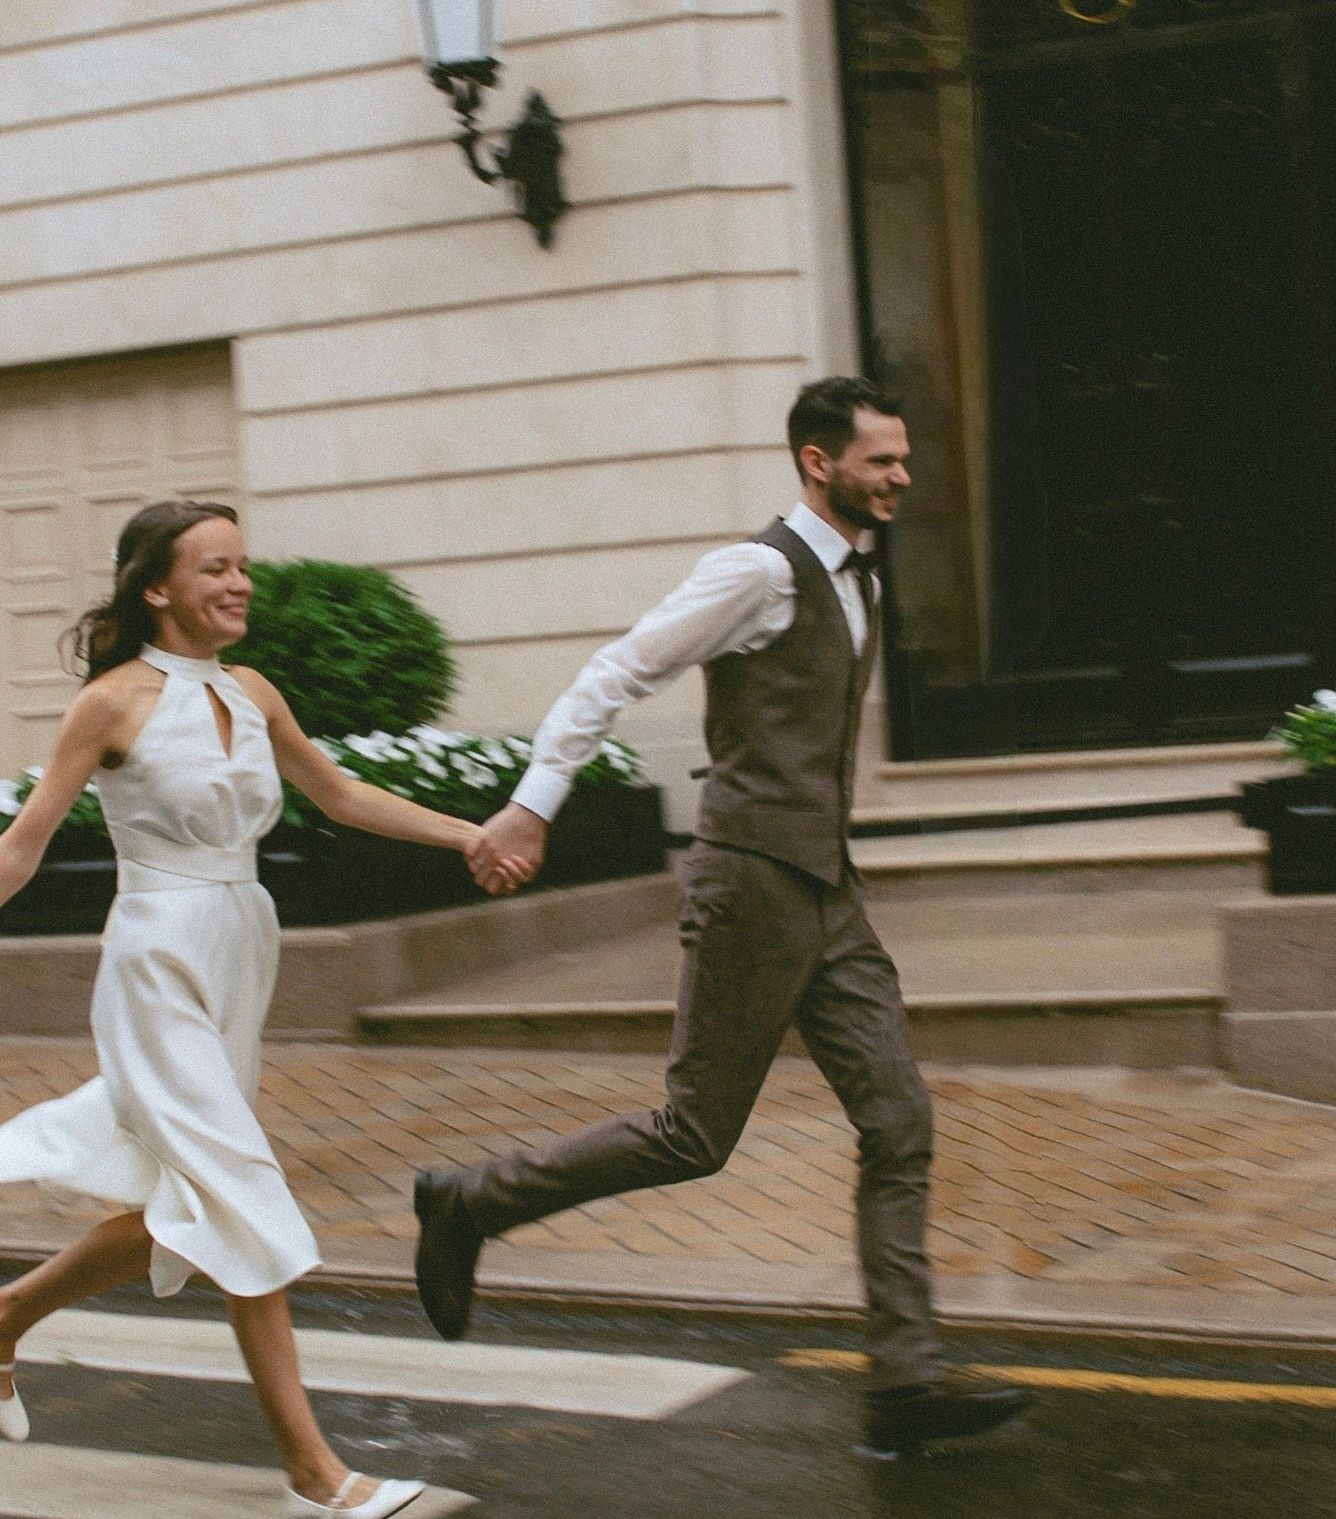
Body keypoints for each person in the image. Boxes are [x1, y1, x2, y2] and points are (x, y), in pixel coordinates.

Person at [413, 379, 1032, 1460]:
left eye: (900, 459)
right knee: (693, 1133)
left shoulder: (858, 579)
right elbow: (616, 669)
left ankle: (903, 1380)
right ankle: (467, 1202)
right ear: (814, 460)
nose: (898, 476)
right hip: (748, 879)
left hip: (823, 884)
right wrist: (532, 801)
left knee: (898, 1119)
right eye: (879, 460)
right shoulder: (755, 572)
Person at [0, 498, 490, 1519]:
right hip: (157, 957)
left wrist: (469, 836)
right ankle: (314, 1471)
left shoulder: (251, 689)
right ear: (156, 586)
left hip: (241, 949)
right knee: (238, 1191)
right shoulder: (110, 703)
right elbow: (21, 844)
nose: (238, 583)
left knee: (187, 1202)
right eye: (214, 567)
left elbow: (338, 793)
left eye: (243, 566)